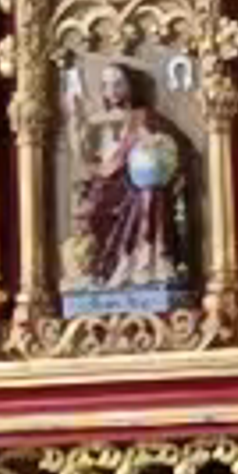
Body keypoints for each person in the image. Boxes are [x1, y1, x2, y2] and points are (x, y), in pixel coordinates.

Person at [69, 59, 195, 317]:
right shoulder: (101, 121)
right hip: (111, 184)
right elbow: (101, 165)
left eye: (117, 83)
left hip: (139, 187)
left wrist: (160, 153)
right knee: (90, 211)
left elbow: (178, 148)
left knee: (148, 195)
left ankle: (147, 263)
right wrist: (75, 121)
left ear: (130, 86)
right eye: (105, 84)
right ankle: (108, 271)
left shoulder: (144, 118)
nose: (111, 90)